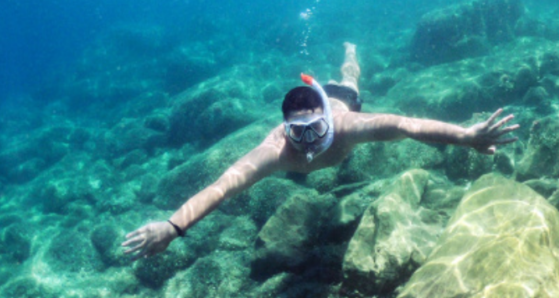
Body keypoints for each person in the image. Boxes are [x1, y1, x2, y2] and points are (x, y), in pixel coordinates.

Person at [122, 43, 519, 259]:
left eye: (315, 129)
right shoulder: (276, 150)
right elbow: (223, 186)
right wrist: (173, 227)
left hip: (340, 98)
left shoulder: (346, 126)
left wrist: (466, 136)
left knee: (350, 79)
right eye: (298, 132)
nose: (308, 141)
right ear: (285, 128)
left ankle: (350, 52)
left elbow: (406, 125)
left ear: (328, 121)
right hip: (320, 102)